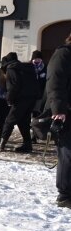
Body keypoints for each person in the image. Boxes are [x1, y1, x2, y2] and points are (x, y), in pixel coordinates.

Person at [45, 33, 71, 209]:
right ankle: (65, 195)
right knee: (68, 153)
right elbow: (55, 81)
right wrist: (59, 109)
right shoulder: (64, 53)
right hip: (66, 111)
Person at [0, 52, 40, 153]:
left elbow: (13, 86)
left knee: (9, 121)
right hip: (32, 98)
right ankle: (27, 145)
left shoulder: (11, 68)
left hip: (20, 99)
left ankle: (2, 144)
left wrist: (9, 99)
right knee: (23, 122)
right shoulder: (27, 68)